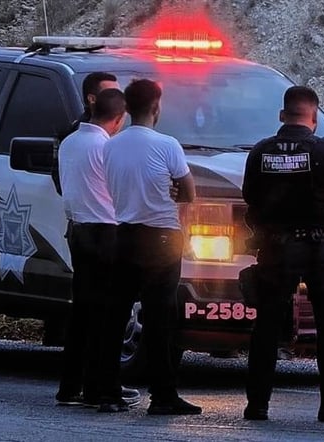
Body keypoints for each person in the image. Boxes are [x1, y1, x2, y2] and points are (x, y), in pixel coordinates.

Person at [241, 85, 324, 422]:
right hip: (320, 246)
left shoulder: (260, 152)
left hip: (276, 247)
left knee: (267, 326)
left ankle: (257, 405)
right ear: (314, 117)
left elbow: (249, 195)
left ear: (283, 116)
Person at [103, 78, 200, 415]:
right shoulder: (167, 145)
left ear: (126, 109)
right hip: (161, 237)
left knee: (115, 317)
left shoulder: (110, 146)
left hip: (124, 234)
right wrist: (172, 191)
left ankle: (108, 392)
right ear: (156, 107)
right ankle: (163, 395)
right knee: (161, 320)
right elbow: (189, 192)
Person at [55, 87, 140, 412]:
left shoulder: (71, 141)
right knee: (107, 314)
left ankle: (70, 385)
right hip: (106, 232)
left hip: (78, 230)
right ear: (118, 119)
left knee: (82, 312)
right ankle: (101, 387)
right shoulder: (107, 147)